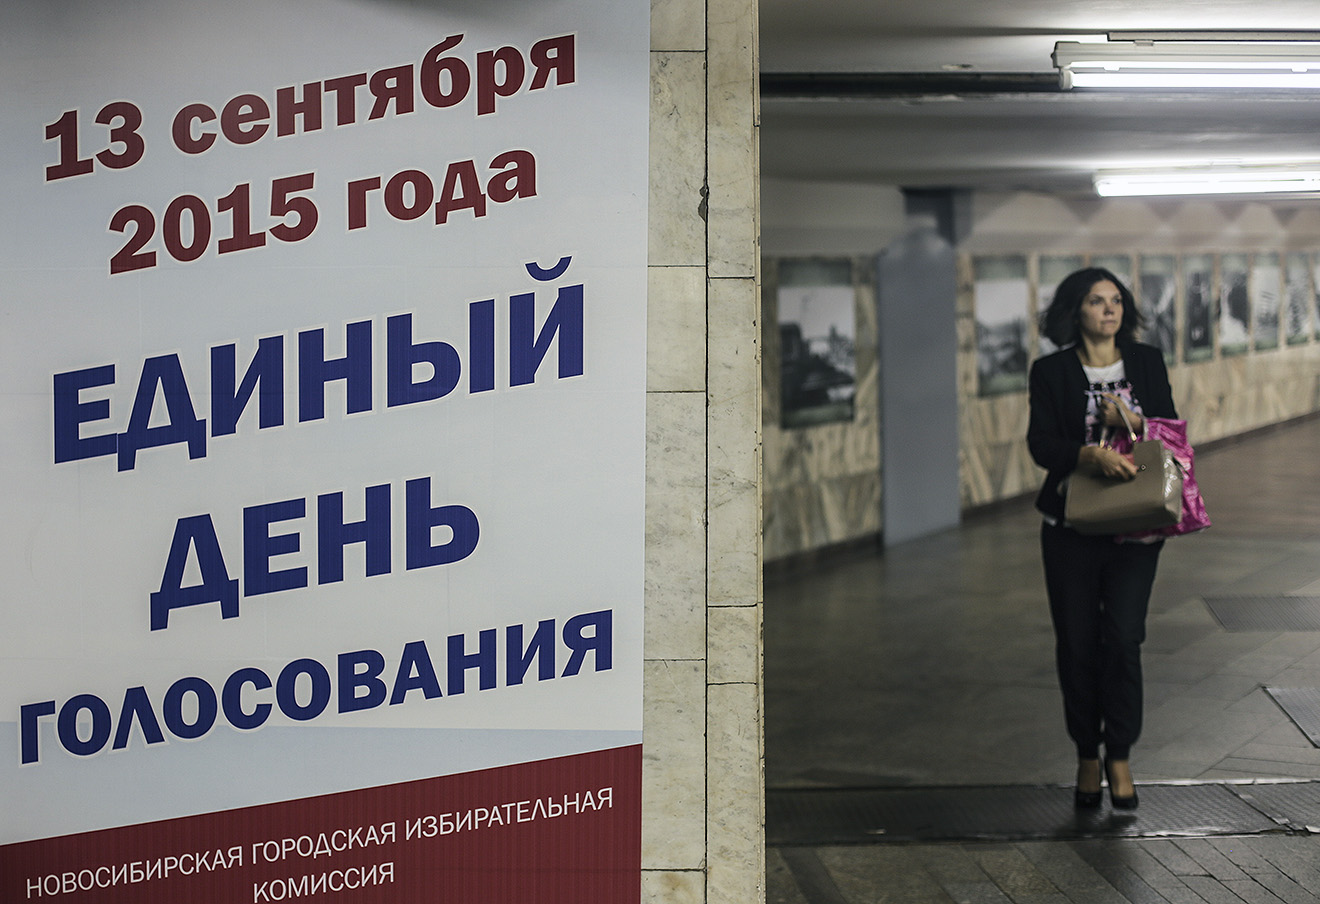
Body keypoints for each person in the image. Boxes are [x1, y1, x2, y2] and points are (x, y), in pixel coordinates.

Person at [1027, 267, 1178, 811]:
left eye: (1116, 301)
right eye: (1097, 301)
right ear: (1076, 311)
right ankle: (1086, 754)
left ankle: (1120, 753)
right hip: (1070, 527)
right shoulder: (1051, 371)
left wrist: (1131, 421)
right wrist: (1086, 453)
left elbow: (1169, 433)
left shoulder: (1146, 363)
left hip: (1136, 526)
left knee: (1123, 637)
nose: (1109, 310)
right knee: (1075, 641)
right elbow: (1041, 443)